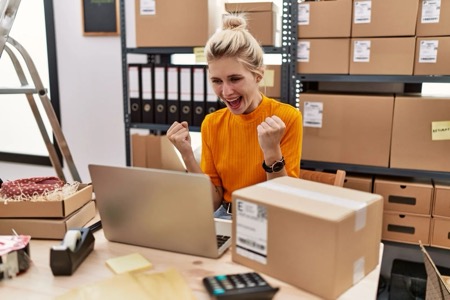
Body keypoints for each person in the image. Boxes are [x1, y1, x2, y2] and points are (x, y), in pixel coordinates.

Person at [167, 14, 303, 219]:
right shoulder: (212, 124)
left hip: (268, 219)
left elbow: (283, 203)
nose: (226, 91)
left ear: (258, 76)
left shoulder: (287, 117)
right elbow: (212, 202)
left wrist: (271, 150)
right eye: (217, 81)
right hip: (224, 217)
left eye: (235, 79)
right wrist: (186, 155)